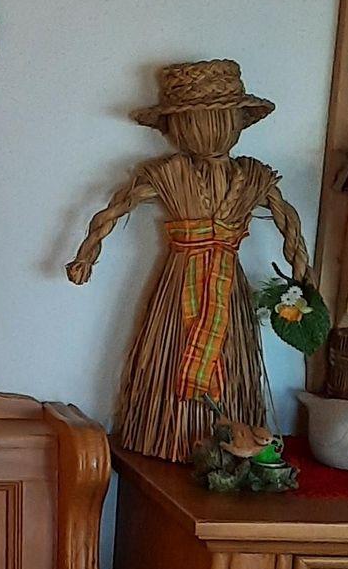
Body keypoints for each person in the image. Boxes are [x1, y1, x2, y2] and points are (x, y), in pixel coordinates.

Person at [67, 62, 313, 463]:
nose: (209, 130)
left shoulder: (251, 176)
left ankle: (229, 436)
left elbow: (288, 222)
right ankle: (171, 434)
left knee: (227, 358)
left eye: (217, 119)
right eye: (198, 121)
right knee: (174, 351)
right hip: (181, 286)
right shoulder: (171, 175)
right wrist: (87, 254)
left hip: (223, 290)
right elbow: (117, 208)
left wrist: (304, 289)